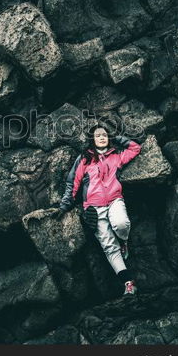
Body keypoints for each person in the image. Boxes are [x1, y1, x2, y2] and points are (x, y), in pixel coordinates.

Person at [57, 124, 142, 296]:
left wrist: (116, 137)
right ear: (92, 139)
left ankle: (123, 242)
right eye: (98, 135)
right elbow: (72, 182)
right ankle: (128, 283)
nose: (102, 138)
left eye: (104, 135)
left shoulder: (116, 156)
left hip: (114, 200)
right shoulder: (84, 159)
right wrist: (65, 204)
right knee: (109, 246)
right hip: (93, 209)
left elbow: (135, 148)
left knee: (121, 224)